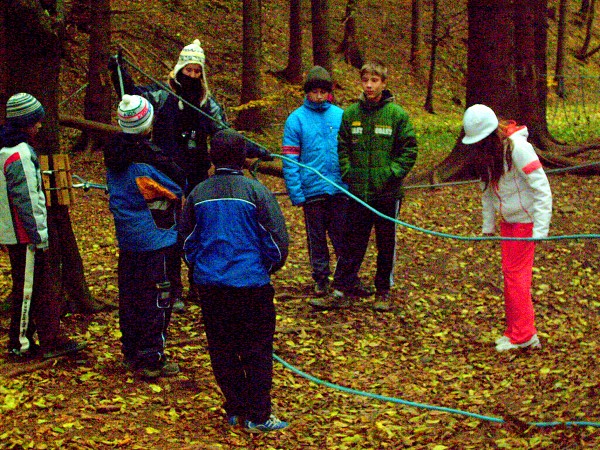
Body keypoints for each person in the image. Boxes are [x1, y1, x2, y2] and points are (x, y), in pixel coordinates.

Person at [109, 39, 271, 311]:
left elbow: (224, 132)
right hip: (164, 176)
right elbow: (133, 97)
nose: (192, 76)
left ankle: (199, 282)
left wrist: (256, 150)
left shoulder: (207, 104)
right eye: (188, 70)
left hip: (197, 177)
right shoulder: (161, 95)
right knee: (170, 231)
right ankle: (174, 289)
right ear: (179, 68)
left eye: (197, 71)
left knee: (199, 230)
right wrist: (118, 72)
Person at [181, 129, 289, 432]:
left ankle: (238, 407)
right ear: (243, 158)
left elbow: (187, 242)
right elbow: (278, 241)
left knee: (222, 347)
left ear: (213, 157)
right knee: (256, 348)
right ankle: (256, 414)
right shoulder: (255, 191)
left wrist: (201, 270)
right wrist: (264, 268)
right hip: (250, 287)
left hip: (213, 287)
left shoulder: (198, 193)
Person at [0, 93, 87, 360]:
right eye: (35, 121)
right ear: (25, 122)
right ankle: (20, 343)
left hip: (16, 231)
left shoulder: (6, 148)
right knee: (26, 289)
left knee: (34, 285)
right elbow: (27, 197)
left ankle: (40, 337)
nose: (39, 126)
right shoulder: (21, 153)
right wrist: (40, 235)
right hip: (25, 234)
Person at [104, 94, 184, 378]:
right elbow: (177, 187)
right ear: (148, 124)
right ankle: (151, 356)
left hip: (129, 241)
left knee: (131, 295)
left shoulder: (115, 155)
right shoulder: (147, 162)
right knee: (157, 297)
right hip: (156, 239)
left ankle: (132, 349)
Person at [461, 104, 552, 352]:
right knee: (509, 276)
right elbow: (487, 190)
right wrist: (488, 226)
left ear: (492, 135)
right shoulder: (489, 154)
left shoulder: (519, 149)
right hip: (508, 222)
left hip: (525, 221)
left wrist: (540, 230)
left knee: (517, 279)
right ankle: (514, 331)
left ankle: (525, 335)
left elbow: (541, 188)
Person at [330, 60, 418, 312]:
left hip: (387, 193)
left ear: (384, 83)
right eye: (365, 80)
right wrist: (349, 173)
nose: (369, 85)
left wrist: (391, 173)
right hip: (358, 192)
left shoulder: (397, 115)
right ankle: (341, 289)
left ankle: (383, 291)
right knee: (352, 241)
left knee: (386, 243)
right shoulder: (351, 114)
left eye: (375, 80)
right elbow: (343, 146)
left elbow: (409, 149)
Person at [281, 66, 347, 302]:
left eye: (323, 92)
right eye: (314, 92)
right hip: (312, 190)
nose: (319, 96)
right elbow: (290, 159)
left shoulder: (340, 115)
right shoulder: (296, 119)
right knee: (316, 238)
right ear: (307, 92)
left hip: (340, 189)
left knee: (342, 236)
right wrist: (296, 192)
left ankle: (345, 277)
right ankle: (321, 278)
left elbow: (349, 150)